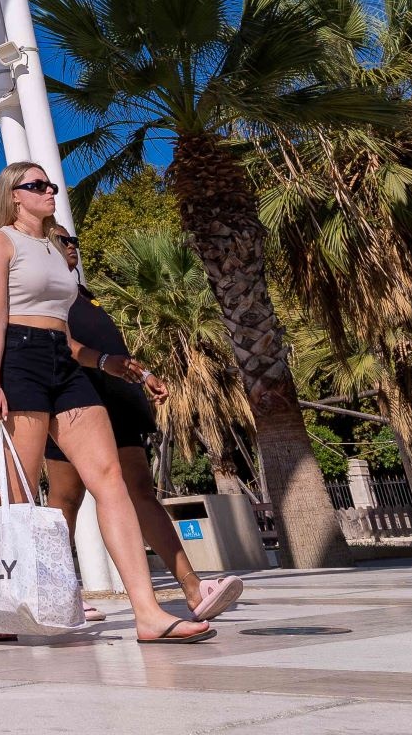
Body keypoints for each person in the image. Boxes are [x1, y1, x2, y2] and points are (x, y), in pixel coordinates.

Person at [0, 164, 212, 645]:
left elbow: (65, 333)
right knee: (19, 495)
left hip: (64, 366)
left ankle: (147, 612)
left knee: (111, 481)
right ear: (15, 197)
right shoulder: (0, 242)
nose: (50, 192)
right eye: (37, 186)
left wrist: (114, 364)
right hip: (19, 362)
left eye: (51, 185)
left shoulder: (55, 250)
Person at [43, 230, 244, 625]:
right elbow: (63, 347)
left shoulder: (84, 294)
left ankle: (193, 587)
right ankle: (59, 593)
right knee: (65, 500)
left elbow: (108, 346)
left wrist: (141, 372)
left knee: (140, 490)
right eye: (61, 239)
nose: (72, 244)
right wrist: (103, 364)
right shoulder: (46, 295)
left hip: (114, 397)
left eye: (74, 239)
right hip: (73, 401)